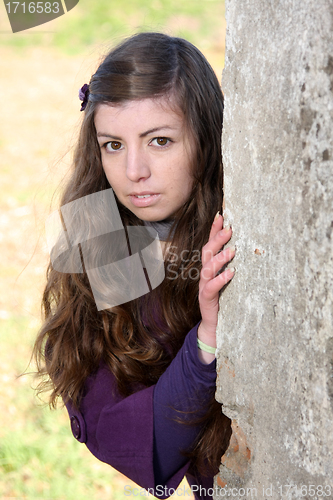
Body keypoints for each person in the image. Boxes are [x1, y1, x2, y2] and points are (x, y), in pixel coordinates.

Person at [33, 32, 236, 499]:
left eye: (160, 140)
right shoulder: (105, 233)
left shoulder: (243, 225)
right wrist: (208, 336)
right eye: (114, 145)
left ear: (206, 137)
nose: (133, 172)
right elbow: (139, 440)